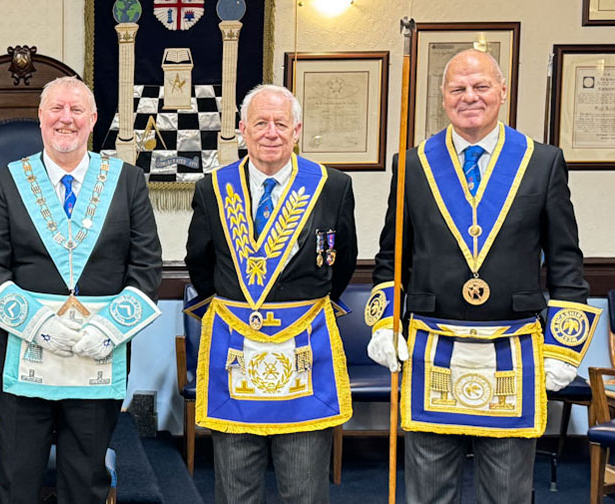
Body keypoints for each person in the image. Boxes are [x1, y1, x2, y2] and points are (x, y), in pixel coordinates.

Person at [366, 49, 600, 504]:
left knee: (507, 493)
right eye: (458, 88)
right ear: (443, 96)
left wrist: (565, 348)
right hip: (432, 347)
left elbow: (566, 262)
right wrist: (384, 323)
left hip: (515, 350)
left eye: (481, 86)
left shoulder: (542, 162)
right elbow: (392, 259)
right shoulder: (413, 164)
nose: (469, 97)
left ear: (503, 92)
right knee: (427, 493)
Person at [0, 76, 162, 503]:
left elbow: (146, 268)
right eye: (56, 109)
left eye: (77, 110)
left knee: (86, 480)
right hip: (26, 357)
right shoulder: (7, 181)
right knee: (17, 479)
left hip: (100, 356)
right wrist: (39, 325)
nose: (66, 119)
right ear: (40, 118)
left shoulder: (128, 181)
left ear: (93, 120)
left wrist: (110, 329)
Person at [184, 84, 358, 504]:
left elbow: (344, 262)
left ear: (297, 130)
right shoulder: (213, 189)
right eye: (260, 123)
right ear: (243, 130)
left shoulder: (331, 186)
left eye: (281, 123)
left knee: (303, 487)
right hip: (236, 350)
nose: (271, 132)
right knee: (235, 487)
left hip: (304, 350)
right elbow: (199, 263)